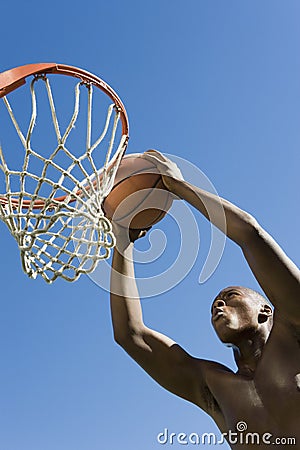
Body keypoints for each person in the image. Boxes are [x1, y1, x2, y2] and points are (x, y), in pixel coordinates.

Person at [110, 150, 300, 448]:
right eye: (215, 304)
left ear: (266, 310)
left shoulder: (295, 328)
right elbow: (131, 335)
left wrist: (177, 186)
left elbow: (250, 235)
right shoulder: (212, 387)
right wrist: (122, 241)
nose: (218, 305)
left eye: (230, 296)